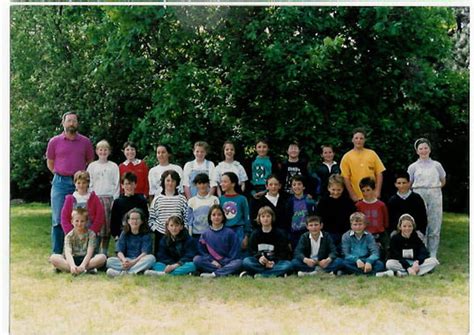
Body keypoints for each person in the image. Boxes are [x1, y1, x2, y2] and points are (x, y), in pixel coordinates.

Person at [46, 111, 94, 254]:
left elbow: (90, 161)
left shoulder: (85, 142)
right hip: (60, 183)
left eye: (74, 120)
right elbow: (50, 162)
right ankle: (57, 253)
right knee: (58, 219)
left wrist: (81, 178)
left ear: (77, 123)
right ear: (63, 123)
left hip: (80, 183)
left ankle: (80, 252)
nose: (71, 123)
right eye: (69, 120)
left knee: (81, 217)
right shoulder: (54, 141)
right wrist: (60, 173)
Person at [408, 138, 446, 258]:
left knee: (434, 223)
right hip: (419, 193)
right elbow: (409, 183)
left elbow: (443, 180)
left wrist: (434, 189)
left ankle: (433, 253)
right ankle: (422, 251)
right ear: (417, 151)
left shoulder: (437, 165)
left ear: (429, 149)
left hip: (434, 193)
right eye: (421, 149)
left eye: (426, 148)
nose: (423, 151)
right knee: (420, 222)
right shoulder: (413, 167)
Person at [86, 140, 120, 255]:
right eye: (100, 149)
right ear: (96, 151)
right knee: (95, 227)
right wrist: (90, 198)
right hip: (95, 199)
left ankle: (103, 253)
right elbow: (88, 182)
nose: (103, 152)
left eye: (105, 149)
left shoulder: (113, 166)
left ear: (109, 151)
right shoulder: (92, 166)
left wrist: (115, 200)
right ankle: (93, 253)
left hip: (108, 199)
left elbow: (117, 184)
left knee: (106, 229)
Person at [49, 208, 106, 275]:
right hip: (72, 259)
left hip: (87, 260)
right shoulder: (69, 236)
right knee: (53, 258)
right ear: (72, 221)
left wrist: (83, 266)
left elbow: (89, 253)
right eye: (77, 221)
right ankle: (77, 269)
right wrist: (72, 265)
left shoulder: (91, 234)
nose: (79, 223)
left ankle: (80, 269)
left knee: (102, 257)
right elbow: (68, 253)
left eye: (82, 221)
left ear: (86, 222)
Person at [241, 207, 292, 278]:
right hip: (260, 262)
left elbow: (283, 252)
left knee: (288, 265)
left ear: (272, 218)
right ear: (259, 218)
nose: (265, 219)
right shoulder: (255, 234)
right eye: (263, 216)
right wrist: (259, 257)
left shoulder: (279, 234)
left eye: (268, 216)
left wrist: (273, 261)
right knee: (246, 261)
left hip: (275, 262)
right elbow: (252, 250)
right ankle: (275, 273)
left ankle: (260, 275)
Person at [193, 205, 243, 277]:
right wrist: (212, 261)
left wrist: (226, 262)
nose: (216, 217)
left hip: (227, 262)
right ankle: (225, 271)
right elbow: (202, 252)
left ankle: (214, 274)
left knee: (239, 263)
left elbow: (234, 252)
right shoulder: (205, 234)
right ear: (210, 217)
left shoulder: (230, 233)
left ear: (223, 217)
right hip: (213, 263)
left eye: (219, 215)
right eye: (214, 215)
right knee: (197, 259)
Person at [106, 208, 156, 277]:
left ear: (141, 221)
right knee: (109, 261)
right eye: (132, 219)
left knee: (151, 258)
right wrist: (124, 260)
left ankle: (124, 274)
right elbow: (119, 251)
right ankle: (136, 271)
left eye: (137, 219)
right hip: (127, 260)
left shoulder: (146, 234)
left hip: (139, 260)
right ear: (128, 221)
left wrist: (133, 262)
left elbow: (145, 253)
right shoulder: (124, 233)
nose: (134, 221)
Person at [340, 128, 386, 202]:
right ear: (352, 140)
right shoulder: (347, 157)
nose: (359, 140)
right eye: (356, 138)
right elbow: (346, 178)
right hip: (357, 197)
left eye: (361, 138)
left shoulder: (372, 154)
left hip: (372, 195)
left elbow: (379, 173)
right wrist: (352, 195)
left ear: (364, 140)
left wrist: (377, 191)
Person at [148, 170, 188, 254]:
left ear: (176, 182)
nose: (170, 183)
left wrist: (183, 229)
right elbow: (151, 218)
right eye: (168, 180)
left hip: (178, 235)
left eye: (173, 181)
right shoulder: (157, 199)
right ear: (163, 182)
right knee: (160, 260)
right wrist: (156, 230)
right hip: (161, 234)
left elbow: (186, 217)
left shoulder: (182, 199)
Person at [315, 174, 356, 253]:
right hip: (328, 234)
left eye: (339, 190)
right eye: (333, 189)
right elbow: (319, 219)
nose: (336, 192)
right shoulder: (323, 202)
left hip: (345, 234)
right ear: (328, 188)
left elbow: (352, 220)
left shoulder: (348, 202)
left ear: (343, 189)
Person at [60, 171, 104, 240]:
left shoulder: (94, 198)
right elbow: (64, 217)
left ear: (88, 183)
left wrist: (92, 232)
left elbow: (99, 216)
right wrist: (70, 233)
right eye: (78, 183)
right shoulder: (70, 199)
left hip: (90, 235)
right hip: (73, 236)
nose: (81, 185)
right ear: (75, 184)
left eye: (84, 183)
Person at [356, 177, 389, 260]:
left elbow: (386, 221)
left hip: (380, 233)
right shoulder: (358, 205)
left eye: (368, 190)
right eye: (363, 191)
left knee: (386, 248)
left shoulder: (381, 205)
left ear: (373, 189)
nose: (366, 193)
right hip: (364, 234)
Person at [219, 172, 251, 254]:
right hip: (224, 231)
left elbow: (247, 218)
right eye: (221, 182)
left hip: (239, 231)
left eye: (225, 182)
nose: (222, 184)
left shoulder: (242, 199)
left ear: (233, 184)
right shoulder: (220, 200)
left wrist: (246, 236)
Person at [387, 171, 428, 236]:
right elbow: (390, 219)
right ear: (395, 184)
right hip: (397, 232)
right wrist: (393, 231)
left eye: (404, 183)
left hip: (415, 231)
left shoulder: (417, 198)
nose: (402, 185)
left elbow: (423, 217)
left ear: (409, 183)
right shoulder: (392, 200)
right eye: (399, 183)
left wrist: (420, 231)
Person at [110, 172, 149, 239]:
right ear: (122, 185)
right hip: (122, 234)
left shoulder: (141, 200)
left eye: (131, 184)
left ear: (135, 185)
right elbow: (114, 221)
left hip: (139, 234)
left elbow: (146, 218)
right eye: (127, 184)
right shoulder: (118, 202)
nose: (129, 187)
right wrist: (116, 235)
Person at [285, 175, 316, 250]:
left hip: (307, 232)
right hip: (294, 233)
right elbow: (287, 219)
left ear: (303, 186)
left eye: (299, 184)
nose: (297, 187)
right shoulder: (289, 202)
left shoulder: (309, 201)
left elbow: (313, 217)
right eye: (294, 185)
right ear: (291, 188)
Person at [187, 173, 219, 239]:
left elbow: (218, 217)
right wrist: (190, 236)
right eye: (199, 183)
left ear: (208, 184)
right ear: (196, 185)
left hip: (212, 234)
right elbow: (190, 220)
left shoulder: (214, 200)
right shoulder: (191, 201)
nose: (202, 186)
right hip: (196, 235)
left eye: (204, 183)